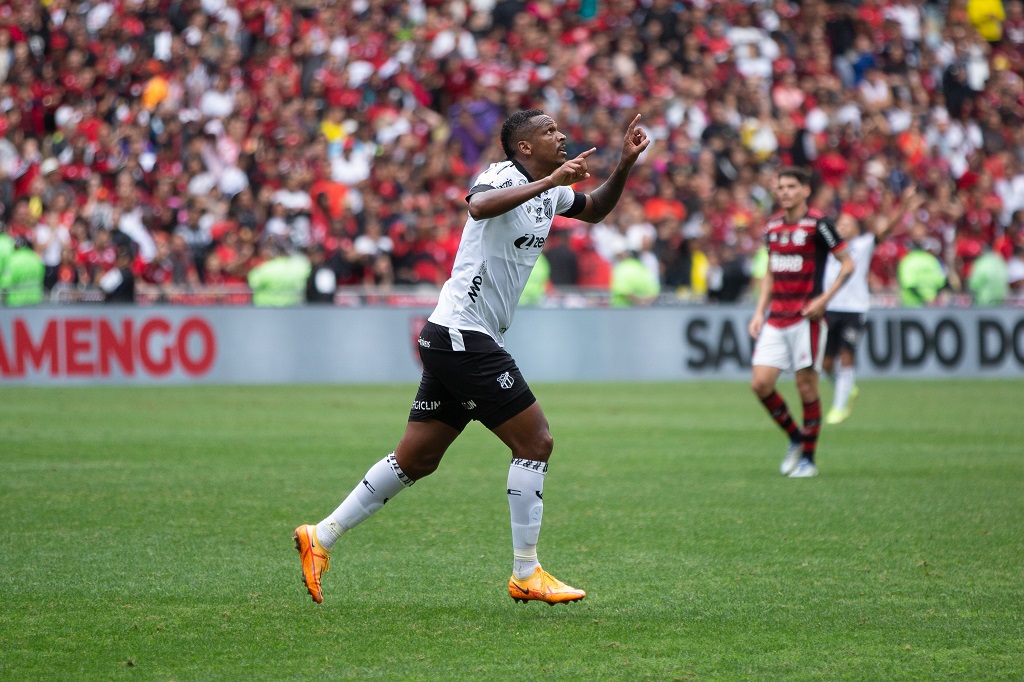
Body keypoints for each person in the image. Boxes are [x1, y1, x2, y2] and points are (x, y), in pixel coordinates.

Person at [293, 110, 651, 605]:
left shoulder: (549, 189)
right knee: (536, 441)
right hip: (463, 334)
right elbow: (480, 207)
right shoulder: (502, 175)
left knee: (417, 458)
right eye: (548, 131)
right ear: (523, 147)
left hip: (456, 337)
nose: (561, 135)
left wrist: (625, 165)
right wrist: (550, 180)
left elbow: (594, 210)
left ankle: (321, 536)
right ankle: (526, 571)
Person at [748, 168, 854, 479]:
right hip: (776, 318)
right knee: (760, 384)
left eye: (791, 186)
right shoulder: (773, 228)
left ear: (806, 190)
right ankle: (796, 437)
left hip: (806, 319)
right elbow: (770, 271)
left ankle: (808, 458)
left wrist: (825, 300)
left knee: (805, 387)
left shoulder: (820, 226)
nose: (784, 192)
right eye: (780, 187)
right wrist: (758, 312)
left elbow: (848, 264)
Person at [822, 186, 924, 425]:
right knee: (825, 364)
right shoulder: (827, 250)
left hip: (854, 309)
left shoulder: (863, 245)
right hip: (829, 308)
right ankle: (846, 389)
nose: (843, 226)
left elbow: (886, 228)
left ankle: (838, 406)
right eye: (840, 224)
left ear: (857, 229)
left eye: (848, 223)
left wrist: (903, 207)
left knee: (847, 355)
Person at [1, 237, 45, 306]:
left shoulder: (13, 260)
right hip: (34, 301)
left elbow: (5, 283)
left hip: (16, 302)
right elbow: (41, 278)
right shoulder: (37, 259)